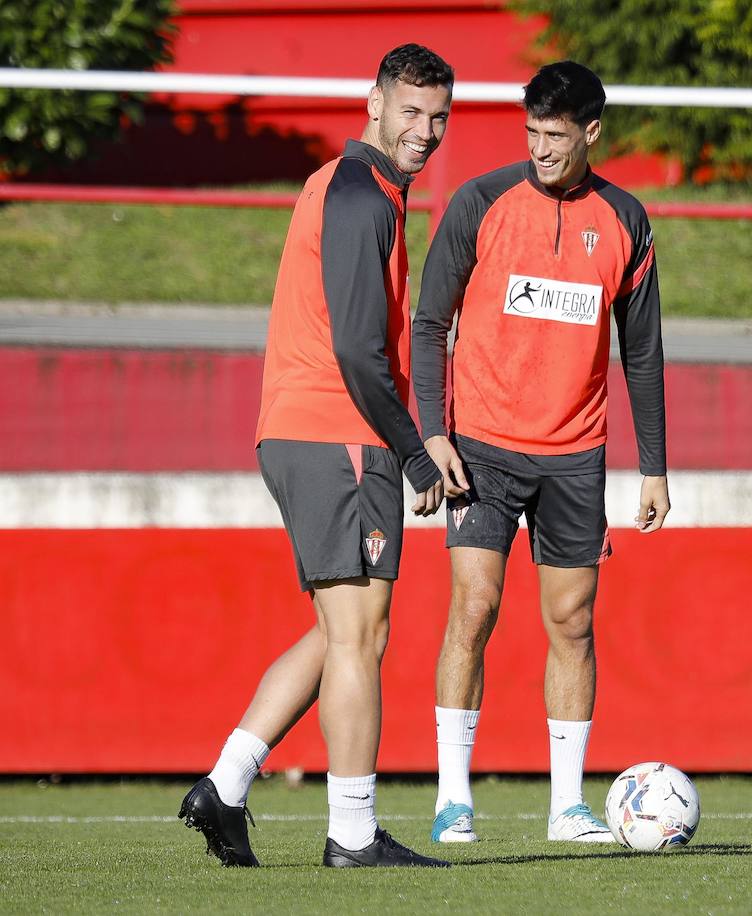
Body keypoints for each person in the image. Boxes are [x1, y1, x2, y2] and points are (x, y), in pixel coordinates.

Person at [178, 43, 461, 869]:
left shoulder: (363, 190)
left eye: (439, 116)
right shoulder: (358, 195)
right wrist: (413, 453)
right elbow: (356, 350)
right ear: (373, 103)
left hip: (312, 431)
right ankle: (351, 832)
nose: (425, 130)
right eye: (410, 111)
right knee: (360, 639)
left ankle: (226, 787)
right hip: (338, 432)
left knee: (339, 632)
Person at [412, 60, 668, 845]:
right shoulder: (480, 201)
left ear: (591, 132)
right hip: (481, 447)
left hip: (574, 456)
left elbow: (644, 354)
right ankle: (453, 796)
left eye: (555, 136)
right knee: (475, 607)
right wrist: (431, 434)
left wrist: (654, 465)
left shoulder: (626, 219)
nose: (540, 149)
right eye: (531, 134)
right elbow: (428, 323)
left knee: (573, 623)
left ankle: (567, 807)